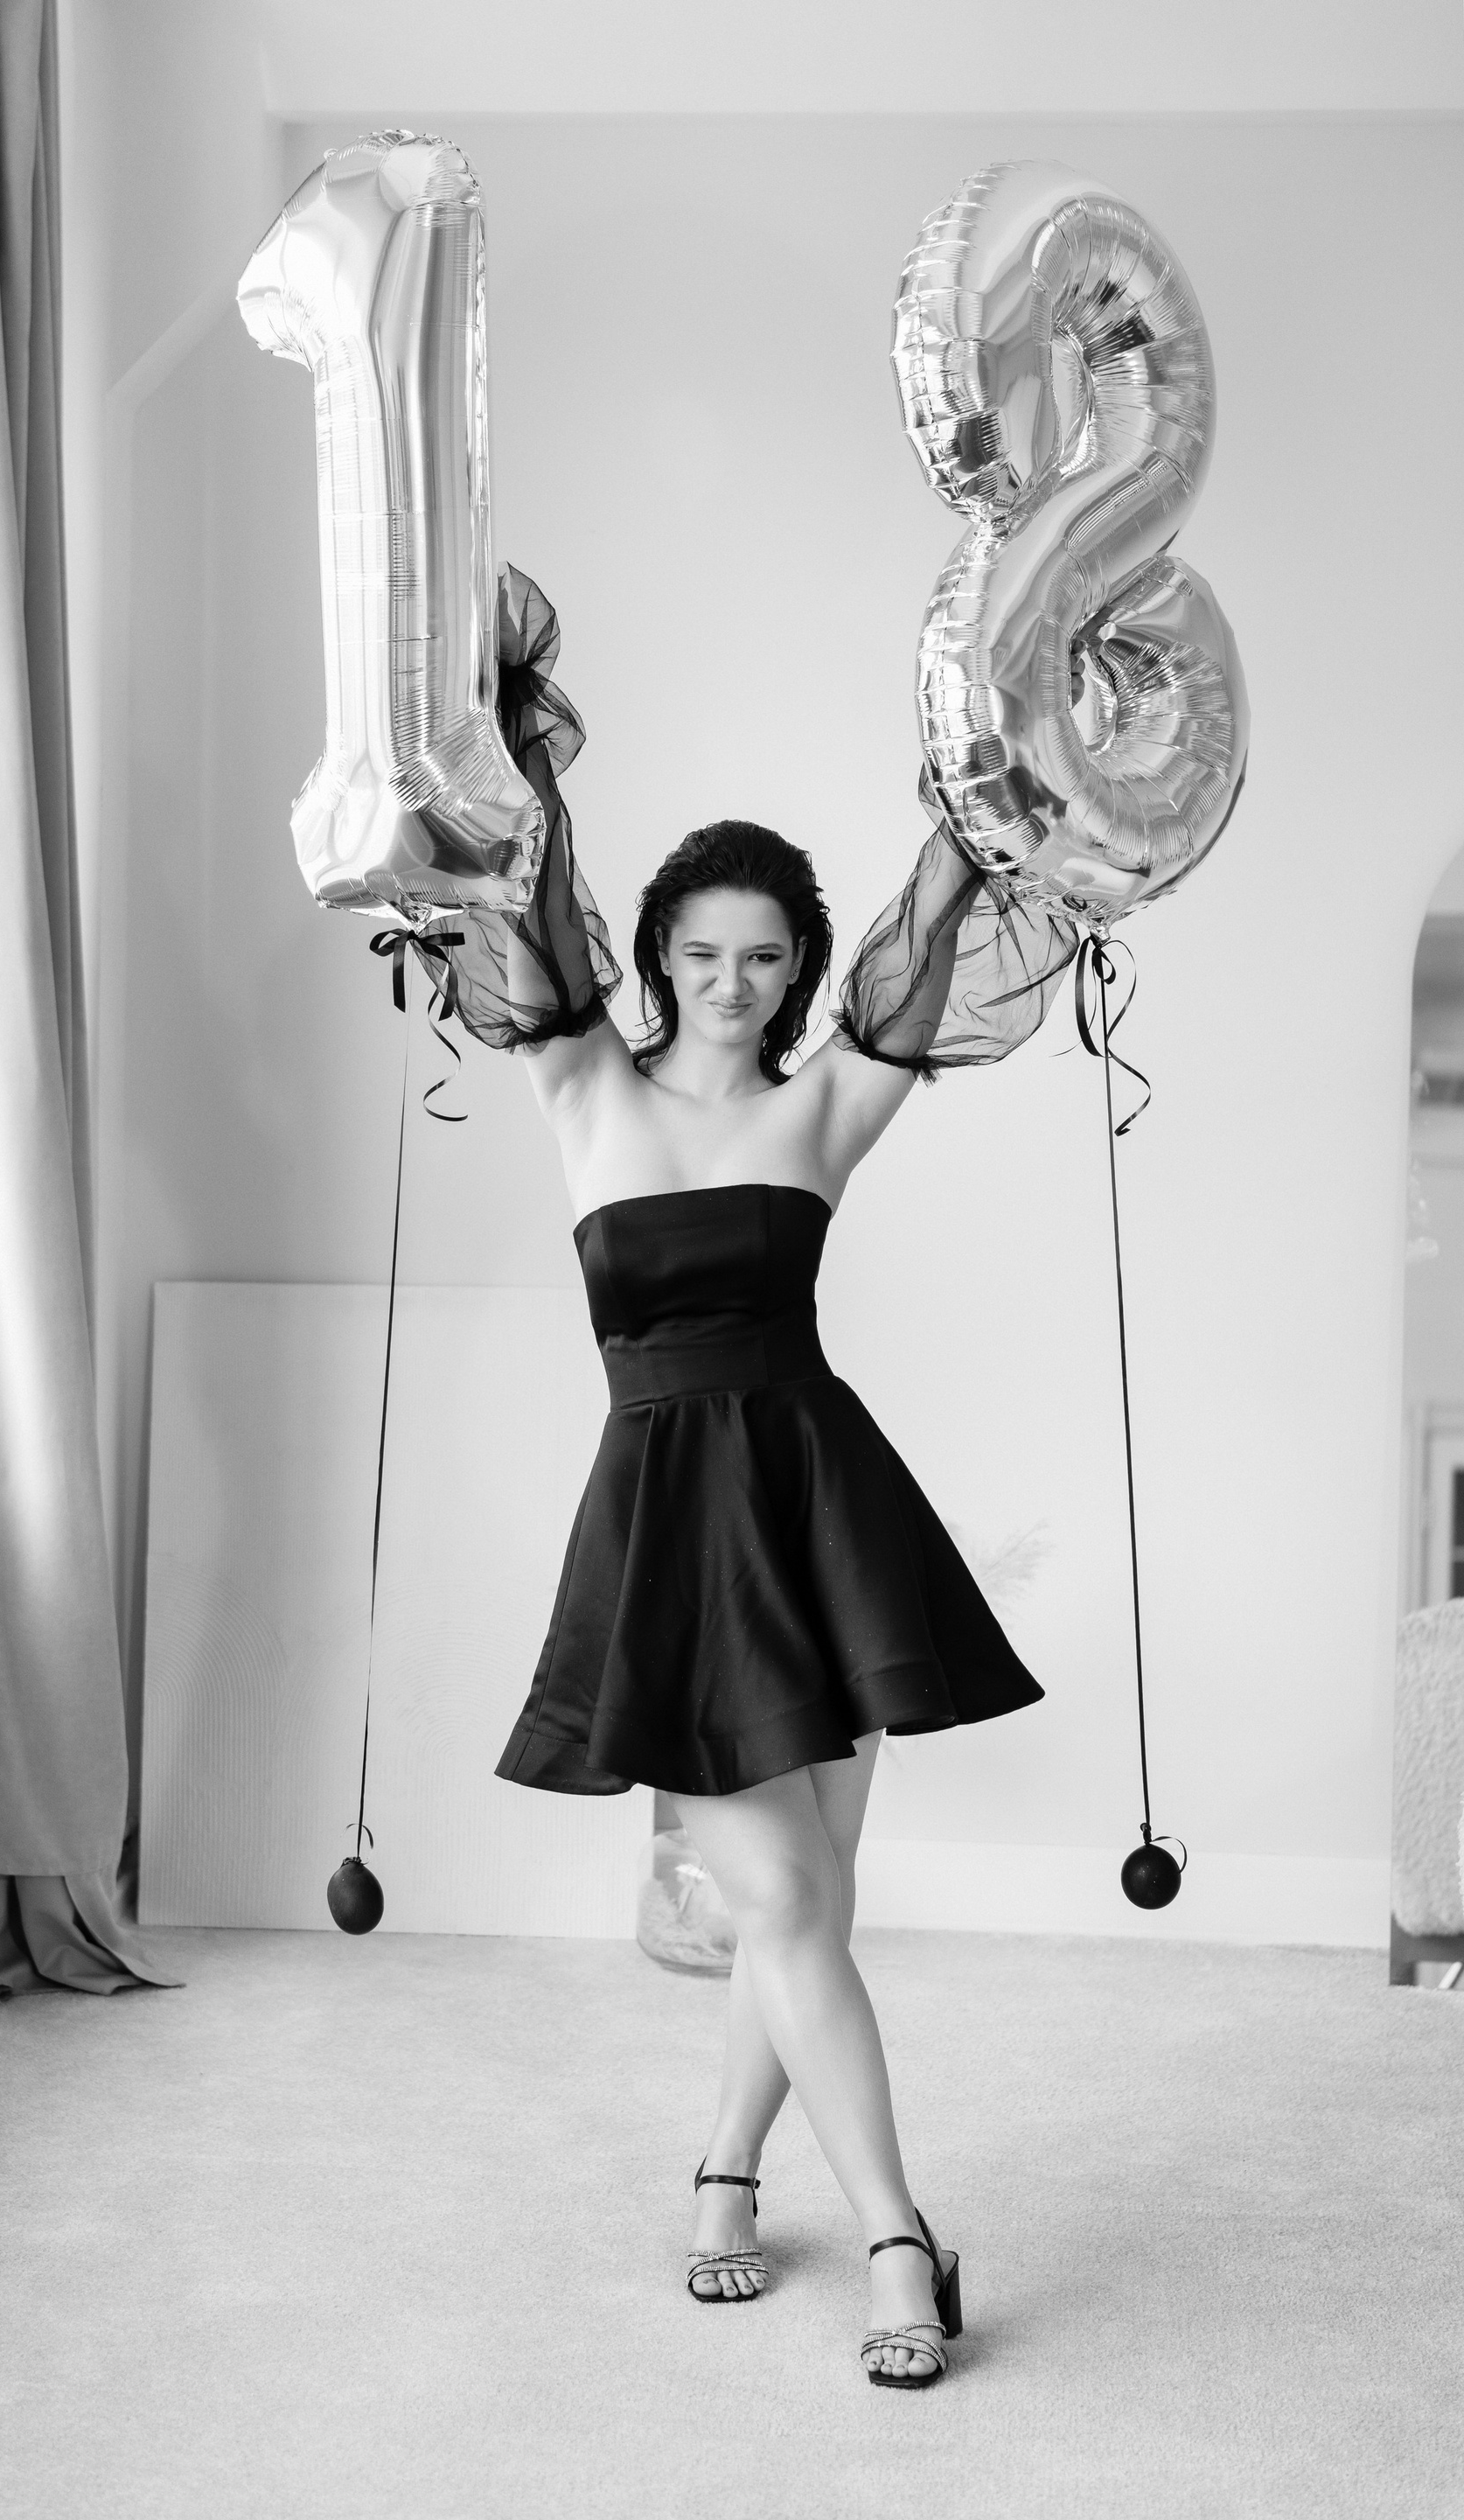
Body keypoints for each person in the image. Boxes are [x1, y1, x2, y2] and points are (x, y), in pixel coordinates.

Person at [418, 568, 1077, 2388]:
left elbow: (927, 923)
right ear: (657, 959)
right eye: (702, 952)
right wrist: (509, 733)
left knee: (812, 1908)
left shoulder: (827, 1102)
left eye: (765, 955)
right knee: (782, 1904)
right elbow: (530, 884)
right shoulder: (581, 1085)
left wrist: (983, 791)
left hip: (820, 1506)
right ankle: (899, 2241)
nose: (732, 980)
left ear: (796, 967)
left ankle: (725, 2168)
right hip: (671, 1529)